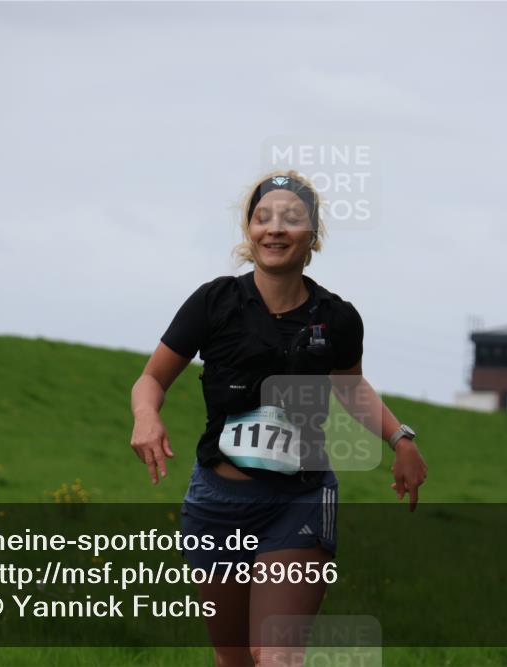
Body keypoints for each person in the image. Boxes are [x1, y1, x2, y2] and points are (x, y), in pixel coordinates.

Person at [129, 171, 428, 667]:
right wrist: (146, 416)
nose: (275, 228)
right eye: (263, 217)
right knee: (235, 659)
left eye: (292, 219)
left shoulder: (338, 317)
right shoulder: (215, 301)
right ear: (249, 230)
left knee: (275, 656)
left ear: (312, 235)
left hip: (301, 500)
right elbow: (151, 379)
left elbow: (349, 385)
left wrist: (400, 439)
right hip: (218, 503)